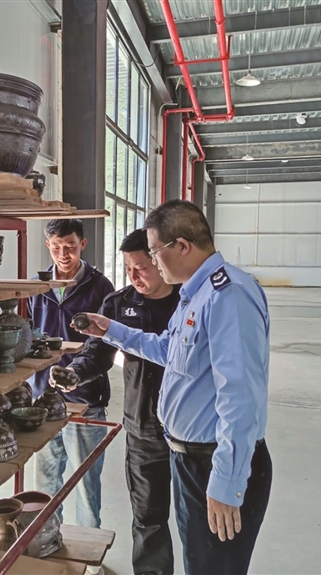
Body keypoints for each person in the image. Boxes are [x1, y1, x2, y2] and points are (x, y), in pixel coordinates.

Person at [73, 200, 273, 575]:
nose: (152, 261)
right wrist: (112, 330)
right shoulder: (194, 294)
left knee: (214, 568)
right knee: (197, 561)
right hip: (190, 458)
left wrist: (227, 482)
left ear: (182, 246)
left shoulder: (227, 295)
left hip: (214, 461)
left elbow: (240, 396)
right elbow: (169, 350)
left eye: (154, 252)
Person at [54, 228, 180, 575]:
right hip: (143, 428)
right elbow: (97, 353)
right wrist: (75, 372)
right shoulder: (119, 304)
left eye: (142, 268)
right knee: (148, 518)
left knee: (197, 517)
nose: (134, 277)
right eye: (128, 269)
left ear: (161, 261)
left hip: (190, 431)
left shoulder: (190, 302)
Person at [27, 218, 115, 533]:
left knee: (86, 482)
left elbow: (105, 344)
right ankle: (48, 538)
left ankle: (89, 548)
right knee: (46, 481)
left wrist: (78, 373)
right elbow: (26, 333)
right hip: (43, 397)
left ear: (82, 245)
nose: (64, 254)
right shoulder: (36, 287)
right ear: (48, 245)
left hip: (85, 397)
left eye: (71, 247)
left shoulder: (100, 287)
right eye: (57, 247)